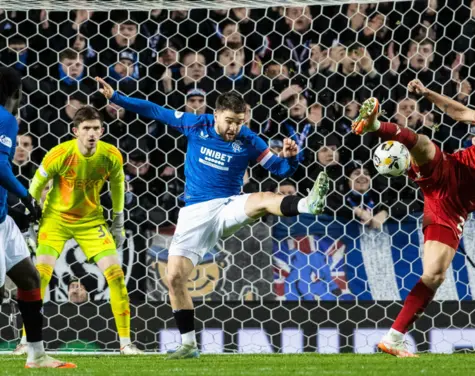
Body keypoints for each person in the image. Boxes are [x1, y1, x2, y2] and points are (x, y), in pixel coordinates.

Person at [96, 77, 329, 359]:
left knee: (264, 199)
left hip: (228, 205)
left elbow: (279, 170)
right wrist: (117, 97)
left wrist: (291, 157)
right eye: (230, 120)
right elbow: (155, 110)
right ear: (216, 114)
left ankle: (307, 204)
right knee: (174, 278)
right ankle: (188, 345)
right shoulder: (196, 123)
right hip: (194, 213)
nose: (234, 128)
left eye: (239, 121)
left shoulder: (249, 139)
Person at [351, 80, 475, 358]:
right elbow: (460, 112)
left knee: (434, 274)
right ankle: (375, 127)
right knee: (423, 144)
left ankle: (393, 338)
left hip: (452, 207)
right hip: (448, 170)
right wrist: (428, 92)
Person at [13, 105, 144, 355]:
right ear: (76, 131)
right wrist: (31, 213)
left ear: (102, 130)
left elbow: (118, 187)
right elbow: (37, 183)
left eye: (96, 128)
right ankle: (26, 341)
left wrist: (118, 222)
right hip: (56, 219)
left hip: (90, 221)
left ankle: (126, 343)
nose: (92, 133)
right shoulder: (59, 154)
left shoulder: (111, 155)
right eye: (86, 128)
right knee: (40, 275)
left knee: (116, 276)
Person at [0, 67, 75, 368]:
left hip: (2, 220)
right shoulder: (6, 118)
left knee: (29, 278)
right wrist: (27, 197)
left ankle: (37, 354)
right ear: (16, 93)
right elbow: (1, 168)